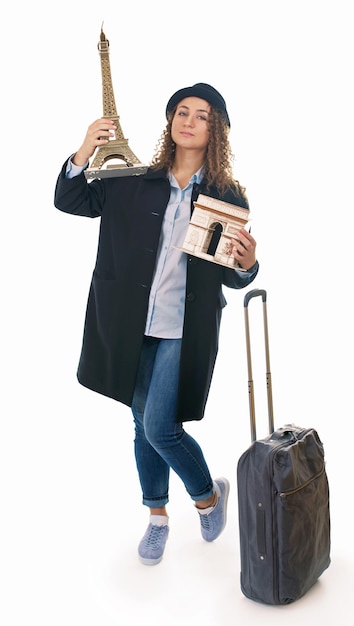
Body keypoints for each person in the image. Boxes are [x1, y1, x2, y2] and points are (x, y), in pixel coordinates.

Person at [54, 82, 259, 566]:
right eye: (181, 112)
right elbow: (69, 199)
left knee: (159, 428)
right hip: (128, 323)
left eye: (202, 116)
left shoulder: (227, 196)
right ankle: (158, 516)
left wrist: (248, 264)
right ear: (170, 122)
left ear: (216, 131)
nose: (189, 120)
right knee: (139, 423)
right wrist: (86, 147)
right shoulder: (132, 180)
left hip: (183, 328)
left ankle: (207, 496)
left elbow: (233, 273)